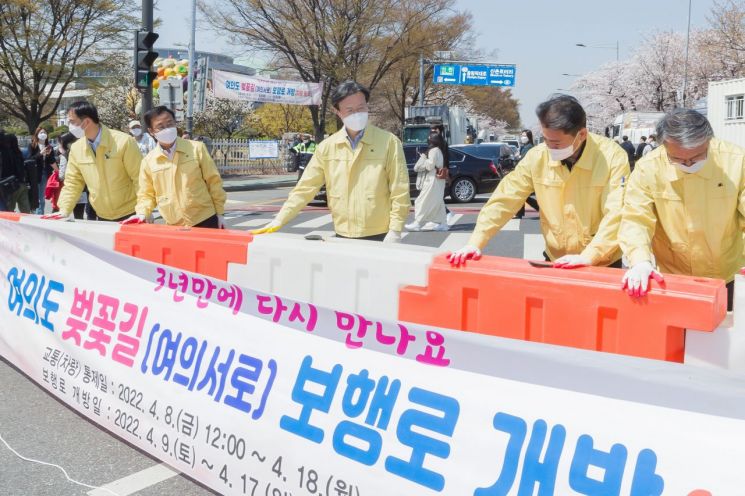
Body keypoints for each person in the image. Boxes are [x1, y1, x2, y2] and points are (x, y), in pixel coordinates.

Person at [448, 94, 630, 268]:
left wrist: (589, 256)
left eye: (557, 144)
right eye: (545, 140)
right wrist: (476, 242)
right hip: (556, 258)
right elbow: (505, 199)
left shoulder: (611, 157)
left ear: (581, 135)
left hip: (602, 261)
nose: (549, 148)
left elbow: (616, 213)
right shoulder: (537, 156)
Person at [252, 80, 410, 242]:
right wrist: (279, 220)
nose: (357, 113)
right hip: (342, 232)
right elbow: (305, 188)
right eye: (349, 110)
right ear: (338, 112)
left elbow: (400, 190)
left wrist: (395, 230)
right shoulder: (327, 147)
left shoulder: (389, 142)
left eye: (361, 108)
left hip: (380, 233)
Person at [619, 109, 745, 310]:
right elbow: (636, 219)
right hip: (671, 278)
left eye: (696, 157)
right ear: (663, 145)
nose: (688, 164)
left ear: (709, 141)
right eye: (677, 159)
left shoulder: (736, 161)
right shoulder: (648, 168)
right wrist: (640, 260)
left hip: (725, 275)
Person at [123, 106, 226, 228]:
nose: (167, 129)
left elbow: (213, 181)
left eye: (170, 123)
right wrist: (142, 213)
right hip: (174, 224)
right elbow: (146, 194)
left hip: (205, 218)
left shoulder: (197, 149)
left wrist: (220, 213)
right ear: (151, 131)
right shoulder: (148, 162)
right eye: (160, 127)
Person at [44, 101, 141, 222]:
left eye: (72, 122)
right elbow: (73, 182)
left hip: (131, 213)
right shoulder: (76, 148)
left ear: (86, 122)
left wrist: (143, 210)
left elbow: (140, 178)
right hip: (102, 216)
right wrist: (64, 209)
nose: (70, 126)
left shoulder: (123, 142)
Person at [405, 131, 448, 232]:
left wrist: (423, 158)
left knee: (420, 201)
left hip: (432, 179)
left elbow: (430, 165)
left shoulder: (433, 151)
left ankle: (417, 223)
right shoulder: (439, 150)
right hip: (438, 180)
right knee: (438, 202)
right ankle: (443, 223)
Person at [56, 132, 87, 219]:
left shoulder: (64, 156)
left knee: (64, 215)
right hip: (83, 189)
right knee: (80, 216)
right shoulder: (83, 154)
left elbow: (62, 176)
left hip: (69, 189)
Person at [28, 127, 57, 214]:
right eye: (41, 132)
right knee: (35, 195)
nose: (43, 134)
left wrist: (48, 155)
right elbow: (30, 159)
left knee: (42, 197)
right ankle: (35, 213)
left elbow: (52, 161)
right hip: (35, 173)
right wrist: (40, 153)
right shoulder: (32, 145)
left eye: (44, 132)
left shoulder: (49, 146)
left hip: (45, 173)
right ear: (37, 134)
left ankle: (40, 214)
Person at [0, 132, 31, 213]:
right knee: (26, 211)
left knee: (9, 212)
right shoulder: (19, 152)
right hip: (22, 183)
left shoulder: (4, 154)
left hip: (10, 186)